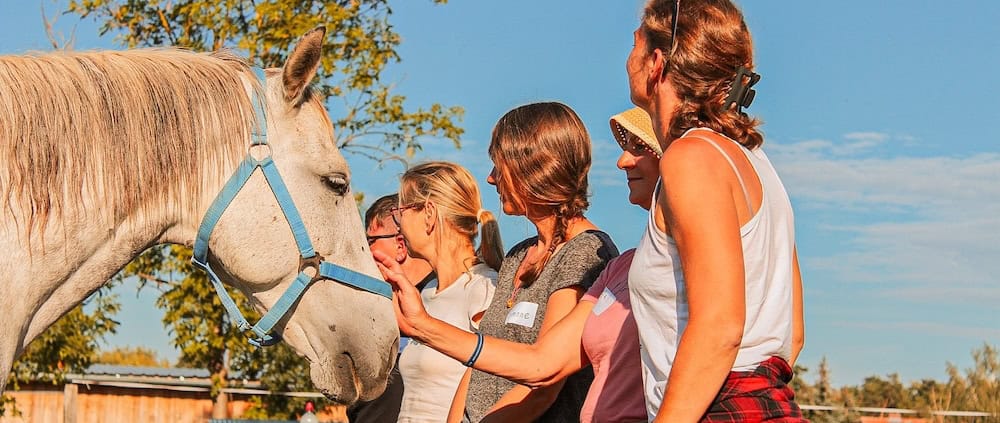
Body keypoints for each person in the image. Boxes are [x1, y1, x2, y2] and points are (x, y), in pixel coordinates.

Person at [377, 107, 662, 423]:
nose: (490, 178)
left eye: (499, 166)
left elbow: (543, 387)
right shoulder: (517, 256)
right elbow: (477, 367)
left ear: (534, 168)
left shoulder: (585, 252)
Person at [625, 0, 806, 421]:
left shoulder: (691, 158)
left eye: (634, 43)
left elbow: (720, 326)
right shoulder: (755, 162)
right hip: (759, 405)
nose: (628, 56)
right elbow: (792, 333)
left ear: (656, 63)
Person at [390, 161, 504, 422]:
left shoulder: (484, 288)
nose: (399, 225)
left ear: (429, 213)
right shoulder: (427, 292)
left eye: (401, 211)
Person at [346, 194, 434, 423]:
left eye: (370, 241)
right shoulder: (372, 304)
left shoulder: (441, 300)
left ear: (400, 245)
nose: (364, 251)